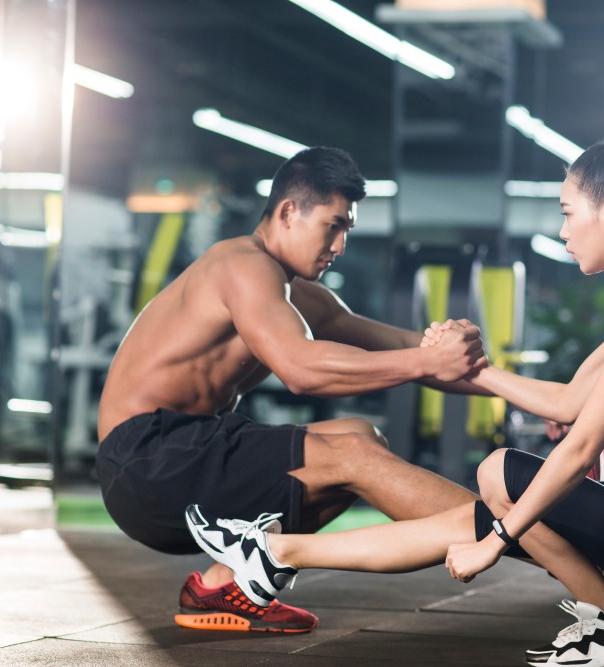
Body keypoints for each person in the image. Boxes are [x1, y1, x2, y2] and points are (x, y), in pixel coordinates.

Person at [184, 131, 604, 667]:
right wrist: (478, 371)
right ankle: (274, 552)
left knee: (498, 476)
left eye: (568, 213)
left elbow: (581, 443)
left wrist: (496, 544)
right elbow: (566, 402)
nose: (563, 231)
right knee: (476, 513)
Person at [96, 146, 492, 634]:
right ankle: (530, 538)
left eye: (347, 229)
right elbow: (301, 370)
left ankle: (227, 585)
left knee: (360, 435)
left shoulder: (298, 294)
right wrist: (428, 360)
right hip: (146, 462)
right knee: (353, 457)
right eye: (333, 225)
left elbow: (406, 349)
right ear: (287, 212)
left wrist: (551, 401)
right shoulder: (241, 265)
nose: (340, 245)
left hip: (181, 458)